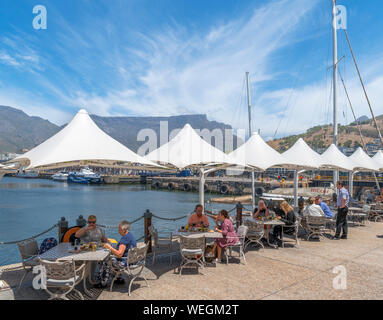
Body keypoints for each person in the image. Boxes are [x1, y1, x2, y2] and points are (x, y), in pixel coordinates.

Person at [96, 220, 137, 288]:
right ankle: (118, 278)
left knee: (106, 260)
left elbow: (120, 254)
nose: (118, 231)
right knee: (113, 259)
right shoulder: (130, 235)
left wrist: (109, 247)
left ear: (124, 230)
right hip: (132, 260)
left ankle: (103, 282)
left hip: (125, 262)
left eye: (119, 229)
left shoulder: (125, 239)